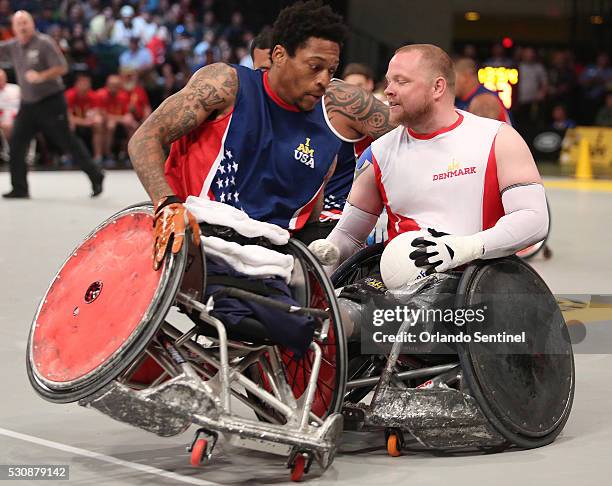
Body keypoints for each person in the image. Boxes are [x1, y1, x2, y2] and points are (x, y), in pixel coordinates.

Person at [127, 0, 394, 271]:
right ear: (278, 56)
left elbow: (307, 222)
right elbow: (145, 138)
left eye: (332, 71)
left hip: (267, 260)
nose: (324, 80)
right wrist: (167, 203)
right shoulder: (226, 84)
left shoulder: (327, 139)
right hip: (198, 237)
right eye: (315, 67)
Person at [322, 44, 548, 292]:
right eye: (388, 82)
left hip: (475, 289)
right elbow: (349, 236)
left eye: (401, 81)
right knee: (342, 320)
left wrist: (465, 248)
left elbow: (534, 220)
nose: (388, 91)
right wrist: (325, 255)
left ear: (437, 87)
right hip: (397, 290)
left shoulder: (499, 139)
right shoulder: (377, 153)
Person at [0, 11, 104, 198]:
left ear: (32, 24)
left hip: (51, 102)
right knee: (16, 143)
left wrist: (41, 76)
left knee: (67, 141)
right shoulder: (12, 47)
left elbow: (62, 67)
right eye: (19, 24)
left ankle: (96, 175)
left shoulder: (44, 43)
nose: (23, 26)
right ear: (13, 28)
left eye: (26, 22)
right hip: (28, 104)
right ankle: (19, 188)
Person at [454, 57, 511, 124]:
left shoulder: (486, 100)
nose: (448, 84)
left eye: (452, 78)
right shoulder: (459, 100)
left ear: (466, 76)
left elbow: (483, 133)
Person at [64, 73, 104, 164]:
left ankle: (98, 156)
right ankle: (68, 155)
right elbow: (67, 116)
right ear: (76, 84)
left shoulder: (94, 95)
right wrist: (83, 122)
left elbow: (97, 112)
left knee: (98, 122)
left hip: (87, 121)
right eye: (82, 83)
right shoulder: (69, 95)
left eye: (87, 83)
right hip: (77, 122)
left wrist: (92, 118)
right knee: (69, 125)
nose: (85, 85)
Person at [96, 74, 135, 166]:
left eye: (116, 85)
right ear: (107, 85)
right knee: (110, 125)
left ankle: (128, 155)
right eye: (112, 85)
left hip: (119, 123)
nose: (114, 87)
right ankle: (106, 154)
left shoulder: (123, 96)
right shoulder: (100, 94)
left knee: (132, 125)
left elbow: (126, 113)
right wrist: (121, 119)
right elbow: (103, 114)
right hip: (106, 123)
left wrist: (128, 118)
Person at [0, 68, 20, 162]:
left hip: (17, 117)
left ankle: (27, 155)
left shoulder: (15, 89)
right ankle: (7, 154)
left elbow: (24, 104)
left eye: (2, 78)